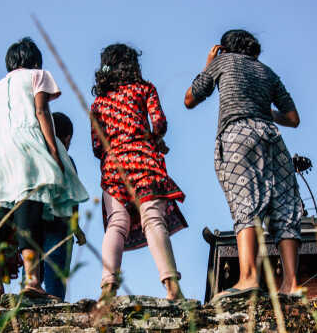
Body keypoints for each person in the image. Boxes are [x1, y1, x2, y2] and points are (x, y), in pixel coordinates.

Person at [0, 37, 89, 301]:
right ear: (35, 60)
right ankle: (32, 281)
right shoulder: (37, 75)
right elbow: (42, 112)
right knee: (29, 210)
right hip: (28, 146)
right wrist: (53, 149)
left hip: (0, 151)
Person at [184, 30, 303, 300]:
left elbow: (190, 99)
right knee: (285, 208)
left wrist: (208, 65)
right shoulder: (267, 71)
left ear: (225, 48)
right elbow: (293, 118)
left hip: (239, 136)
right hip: (272, 138)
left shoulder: (222, 62)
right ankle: (291, 283)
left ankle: (249, 277)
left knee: (245, 203)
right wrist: (263, 111)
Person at [91, 43, 187, 301]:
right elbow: (160, 122)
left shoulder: (99, 102)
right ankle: (172, 287)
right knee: (154, 220)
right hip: (144, 161)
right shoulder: (144, 89)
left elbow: (97, 146)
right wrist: (154, 139)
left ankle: (108, 289)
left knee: (116, 225)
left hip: (114, 169)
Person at [38, 111, 86, 301]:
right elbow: (73, 196)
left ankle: (28, 301)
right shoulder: (67, 159)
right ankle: (55, 303)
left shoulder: (37, 154)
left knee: (33, 266)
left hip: (35, 220)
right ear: (67, 139)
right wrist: (77, 228)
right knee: (55, 273)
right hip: (61, 224)